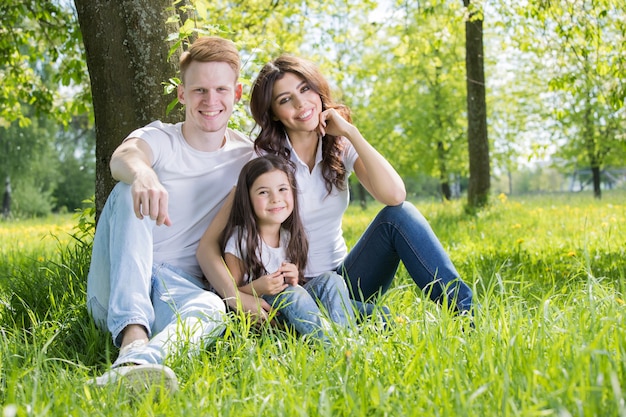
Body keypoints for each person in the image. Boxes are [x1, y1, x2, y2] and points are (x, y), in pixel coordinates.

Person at [86, 36, 263, 393]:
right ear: (182, 95)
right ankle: (133, 338)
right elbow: (125, 156)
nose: (210, 101)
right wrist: (143, 173)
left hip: (178, 289)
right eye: (199, 90)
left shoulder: (248, 158)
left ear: (237, 93)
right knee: (126, 190)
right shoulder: (161, 139)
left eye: (220, 90)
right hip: (117, 283)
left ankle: (132, 369)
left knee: (214, 308)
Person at [243, 54, 474, 318]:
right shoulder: (265, 160)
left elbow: (394, 195)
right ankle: (360, 316)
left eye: (305, 89)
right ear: (273, 113)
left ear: (317, 89)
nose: (301, 103)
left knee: (400, 216)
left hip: (346, 281)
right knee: (373, 319)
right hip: (296, 291)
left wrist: (351, 133)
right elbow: (240, 235)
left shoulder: (338, 145)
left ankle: (467, 315)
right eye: (285, 100)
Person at [221, 155, 355, 341]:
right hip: (265, 315)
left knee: (332, 280)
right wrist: (257, 288)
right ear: (247, 198)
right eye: (263, 192)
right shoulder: (240, 239)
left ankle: (347, 338)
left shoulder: (289, 237)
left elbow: (297, 287)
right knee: (291, 293)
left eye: (282, 189)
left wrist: (294, 277)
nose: (275, 199)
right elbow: (229, 294)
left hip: (296, 309)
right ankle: (332, 345)